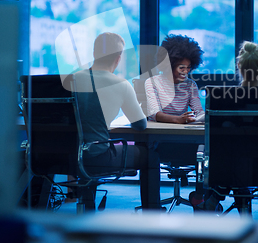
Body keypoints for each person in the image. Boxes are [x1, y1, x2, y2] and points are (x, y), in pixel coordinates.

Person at [74, 32, 160, 209]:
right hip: (97, 156)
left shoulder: (71, 80)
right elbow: (140, 125)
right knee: (151, 156)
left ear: (94, 53)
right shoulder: (121, 84)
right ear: (118, 58)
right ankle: (152, 214)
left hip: (62, 155)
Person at [195, 41, 258, 212]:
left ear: (238, 67)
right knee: (242, 156)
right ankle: (239, 201)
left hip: (225, 168)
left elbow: (207, 117)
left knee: (231, 150)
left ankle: (217, 195)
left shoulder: (225, 98)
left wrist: (196, 118)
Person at [145, 34, 205, 124]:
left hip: (180, 131)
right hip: (156, 131)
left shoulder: (190, 85)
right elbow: (155, 114)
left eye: (188, 67)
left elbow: (199, 111)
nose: (186, 71)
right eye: (181, 68)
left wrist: (204, 117)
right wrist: (178, 119)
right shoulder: (152, 82)